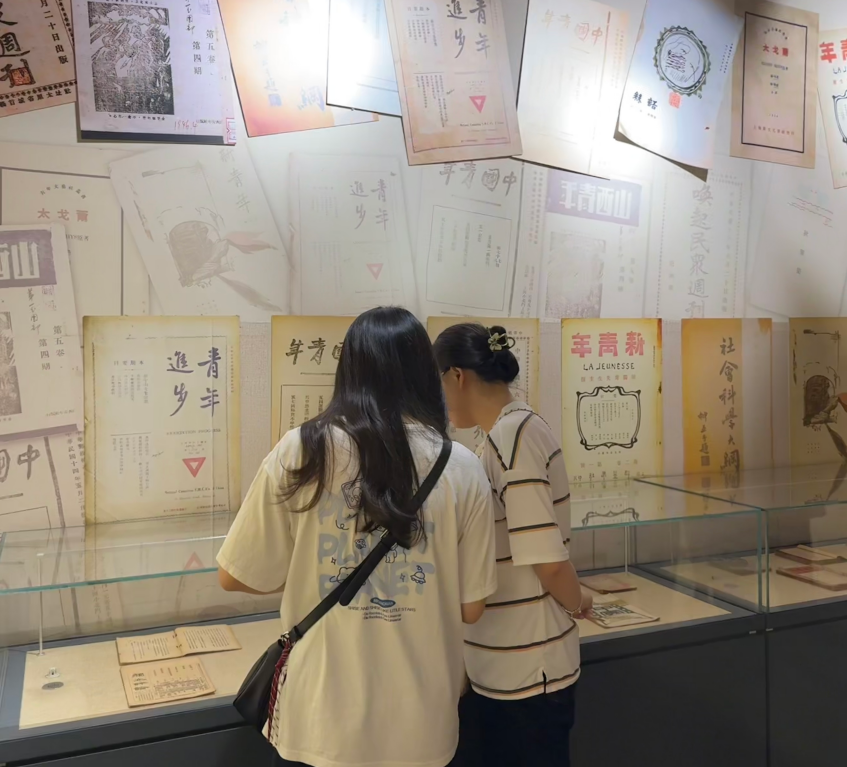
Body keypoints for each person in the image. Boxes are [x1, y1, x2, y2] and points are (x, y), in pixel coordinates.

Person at [216, 307, 498, 767]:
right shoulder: (461, 466)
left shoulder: (303, 449)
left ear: (348, 369)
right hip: (421, 723)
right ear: (425, 373)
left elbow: (235, 575)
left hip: (319, 718)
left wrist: (313, 566)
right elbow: (472, 608)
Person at [433, 322, 591, 767]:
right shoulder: (505, 434)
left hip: (527, 672)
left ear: (457, 376)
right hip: (508, 668)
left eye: (437, 382)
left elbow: (546, 559)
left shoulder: (512, 437)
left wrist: (579, 602)